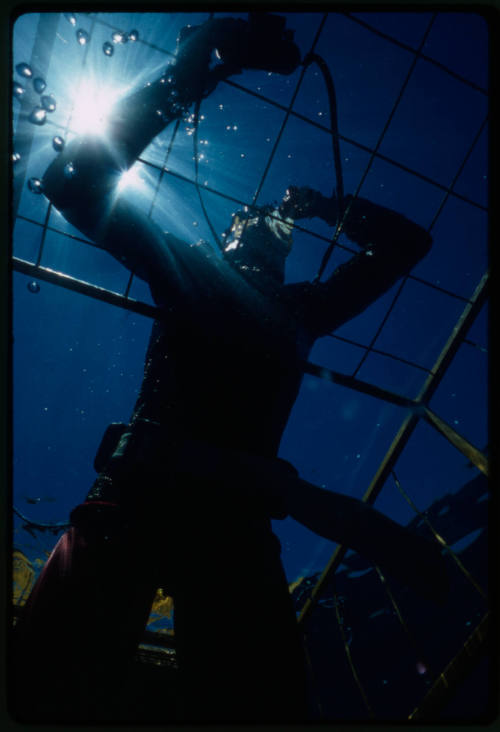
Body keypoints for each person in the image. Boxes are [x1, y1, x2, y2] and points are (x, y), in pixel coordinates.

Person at [13, 13, 447, 723]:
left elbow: (408, 244)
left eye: (268, 219)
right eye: (246, 218)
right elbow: (74, 178)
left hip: (218, 524)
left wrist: (328, 208)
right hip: (147, 505)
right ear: (228, 235)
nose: (258, 218)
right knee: (43, 694)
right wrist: (198, 63)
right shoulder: (199, 273)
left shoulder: (303, 307)